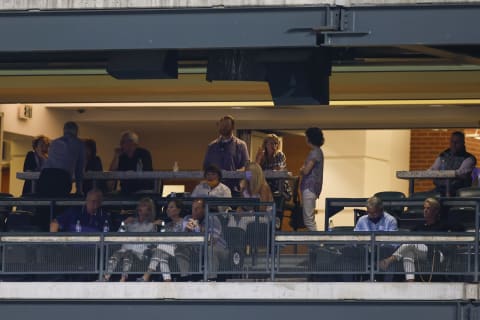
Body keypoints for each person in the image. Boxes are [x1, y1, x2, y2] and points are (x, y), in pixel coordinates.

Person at [379, 197, 463, 282]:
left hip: (437, 253)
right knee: (408, 253)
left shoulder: (443, 224)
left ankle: (389, 260)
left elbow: (460, 228)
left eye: (428, 208)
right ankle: (410, 282)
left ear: (435, 211)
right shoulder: (419, 226)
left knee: (411, 243)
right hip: (421, 252)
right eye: (424, 208)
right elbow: (408, 238)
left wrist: (458, 242)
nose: (425, 210)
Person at [104, 197, 156, 282]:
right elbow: (117, 236)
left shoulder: (151, 225)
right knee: (116, 254)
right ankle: (106, 277)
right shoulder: (131, 222)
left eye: (144, 206)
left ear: (149, 210)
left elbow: (152, 243)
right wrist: (123, 224)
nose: (140, 207)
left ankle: (123, 279)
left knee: (128, 253)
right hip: (124, 250)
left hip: (140, 254)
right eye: (140, 205)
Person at [139, 199, 186, 282]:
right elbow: (160, 238)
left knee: (161, 249)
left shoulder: (184, 222)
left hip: (180, 249)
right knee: (162, 256)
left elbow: (185, 238)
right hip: (167, 250)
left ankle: (147, 275)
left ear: (178, 210)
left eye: (171, 207)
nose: (168, 209)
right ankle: (167, 280)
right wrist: (154, 225)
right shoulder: (167, 225)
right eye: (168, 207)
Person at [184, 198, 228, 280]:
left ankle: (211, 280)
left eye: (197, 209)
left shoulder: (212, 219)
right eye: (193, 209)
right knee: (181, 249)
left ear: (204, 209)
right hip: (199, 249)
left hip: (219, 249)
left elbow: (212, 241)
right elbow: (182, 239)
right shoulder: (187, 219)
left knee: (209, 249)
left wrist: (199, 228)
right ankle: (185, 279)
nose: (194, 211)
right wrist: (187, 230)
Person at [38, 121, 85, 197]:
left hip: (45, 175)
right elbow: (79, 169)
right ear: (76, 132)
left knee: (45, 203)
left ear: (64, 131)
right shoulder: (79, 144)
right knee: (60, 204)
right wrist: (79, 190)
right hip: (61, 177)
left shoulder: (54, 142)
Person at [203, 115, 249, 191]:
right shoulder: (212, 146)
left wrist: (234, 173)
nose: (224, 127)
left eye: (226, 125)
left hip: (234, 189)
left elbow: (247, 169)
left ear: (233, 127)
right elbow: (205, 167)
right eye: (222, 125)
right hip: (214, 189)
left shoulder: (241, 145)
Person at [429, 131, 477, 196]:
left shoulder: (469, 158)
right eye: (452, 141)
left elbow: (460, 173)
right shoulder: (443, 156)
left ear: (463, 143)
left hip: (456, 191)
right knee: (415, 198)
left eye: (457, 142)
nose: (454, 144)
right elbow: (433, 169)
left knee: (434, 199)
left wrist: (442, 175)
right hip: (439, 189)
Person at [231, 162, 273, 230]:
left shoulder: (263, 187)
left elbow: (262, 210)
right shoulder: (244, 186)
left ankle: (243, 239)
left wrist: (247, 210)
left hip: (263, 216)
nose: (246, 174)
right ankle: (234, 240)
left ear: (255, 174)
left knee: (243, 221)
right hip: (248, 213)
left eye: (248, 172)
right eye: (246, 172)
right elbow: (241, 205)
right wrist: (239, 211)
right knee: (232, 220)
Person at [299, 127, 325, 231]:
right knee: (310, 218)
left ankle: (316, 244)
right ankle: (315, 244)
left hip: (309, 188)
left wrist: (302, 169)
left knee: (308, 220)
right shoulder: (318, 151)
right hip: (313, 188)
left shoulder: (314, 152)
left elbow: (306, 171)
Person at [255, 133, 291, 200]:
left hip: (279, 185)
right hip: (266, 184)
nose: (274, 146)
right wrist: (258, 158)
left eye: (276, 143)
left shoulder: (280, 155)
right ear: (265, 144)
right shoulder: (262, 156)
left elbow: (279, 169)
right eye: (272, 143)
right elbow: (255, 170)